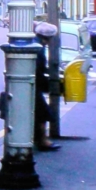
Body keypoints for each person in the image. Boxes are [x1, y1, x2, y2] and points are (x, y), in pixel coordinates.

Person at [33, 22, 60, 151]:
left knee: (38, 112)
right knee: (42, 113)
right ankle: (43, 141)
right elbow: (38, 69)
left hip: (32, 84)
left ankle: (37, 139)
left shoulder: (36, 44)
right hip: (33, 85)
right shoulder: (39, 48)